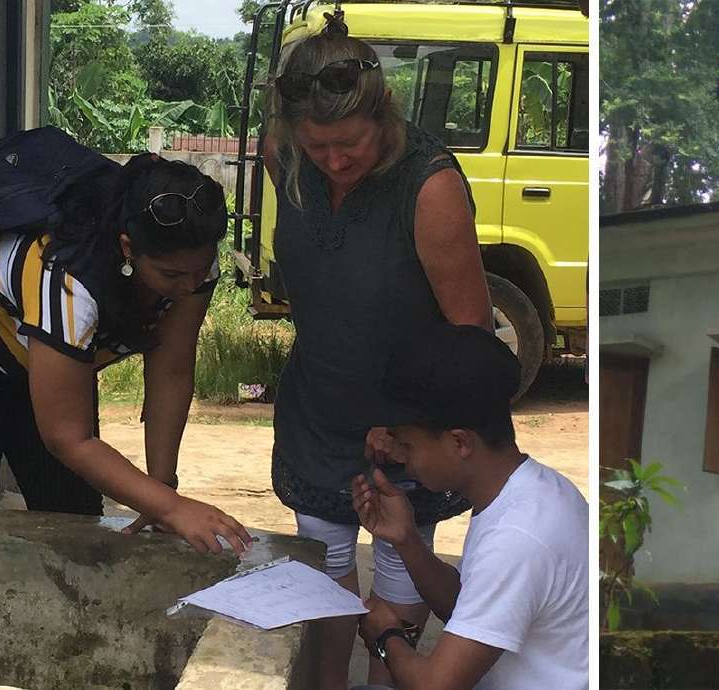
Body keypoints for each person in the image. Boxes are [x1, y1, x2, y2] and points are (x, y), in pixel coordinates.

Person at [263, 11, 494, 688]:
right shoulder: (287, 161)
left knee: (397, 603)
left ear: (384, 112)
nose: (334, 162)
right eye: (318, 146)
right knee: (326, 603)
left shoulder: (430, 188)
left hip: (406, 439)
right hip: (317, 420)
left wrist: (409, 429)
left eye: (350, 145)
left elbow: (470, 338)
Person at [0, 150, 252, 556]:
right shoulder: (68, 277)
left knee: (74, 523)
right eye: (172, 275)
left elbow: (171, 371)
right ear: (128, 248)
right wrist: (173, 508)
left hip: (49, 362)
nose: (189, 285)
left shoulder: (192, 267)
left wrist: (161, 490)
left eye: (200, 271)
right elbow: (67, 437)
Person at [351, 322, 588, 690]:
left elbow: (436, 686)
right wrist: (407, 540)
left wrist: (385, 635)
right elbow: (468, 607)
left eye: (409, 446)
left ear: (460, 442)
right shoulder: (531, 490)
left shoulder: (518, 536)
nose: (402, 459)